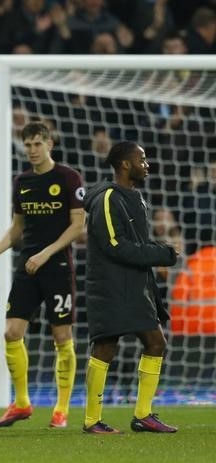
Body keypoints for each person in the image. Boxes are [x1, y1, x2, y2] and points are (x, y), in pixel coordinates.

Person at [0, 122, 85, 429]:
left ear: (50, 143)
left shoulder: (67, 178)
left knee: (61, 336)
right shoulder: (21, 181)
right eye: (28, 145)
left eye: (38, 144)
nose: (33, 150)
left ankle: (61, 409)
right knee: (11, 332)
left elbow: (78, 225)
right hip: (29, 266)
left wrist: (46, 253)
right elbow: (17, 229)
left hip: (57, 267)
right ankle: (22, 403)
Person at [81, 141, 179, 434]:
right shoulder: (109, 198)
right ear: (125, 164)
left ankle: (143, 415)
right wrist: (162, 254)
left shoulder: (135, 198)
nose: (146, 164)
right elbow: (116, 246)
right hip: (111, 286)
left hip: (134, 286)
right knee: (106, 346)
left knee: (155, 343)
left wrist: (161, 251)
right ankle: (92, 420)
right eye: (142, 159)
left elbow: (136, 243)